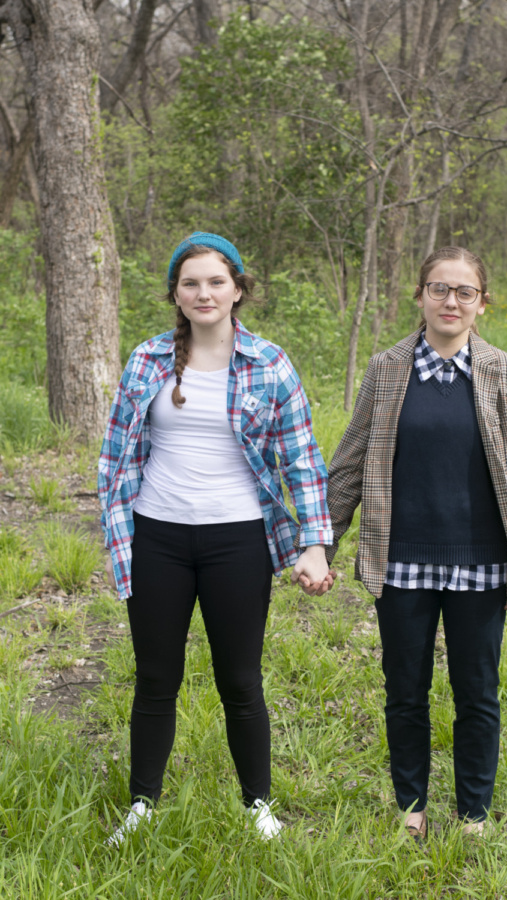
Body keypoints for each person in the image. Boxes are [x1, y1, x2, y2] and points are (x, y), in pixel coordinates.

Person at [98, 232, 334, 846]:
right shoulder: (148, 360)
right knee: (155, 678)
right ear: (176, 294)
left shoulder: (269, 363)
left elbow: (302, 459)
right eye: (190, 282)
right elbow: (117, 460)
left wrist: (313, 543)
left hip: (237, 540)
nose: (204, 293)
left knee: (240, 680)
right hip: (157, 538)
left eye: (216, 282)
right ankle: (142, 806)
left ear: (238, 290)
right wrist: (117, 536)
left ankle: (258, 805)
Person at [325, 246, 507, 840]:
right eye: (439, 289)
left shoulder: (503, 371)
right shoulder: (386, 369)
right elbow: (348, 465)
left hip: (481, 563)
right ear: (419, 295)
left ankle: (473, 813)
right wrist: (323, 542)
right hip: (401, 561)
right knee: (406, 691)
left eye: (464, 292)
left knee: (477, 693)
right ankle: (411, 808)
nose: (451, 301)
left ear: (482, 302)